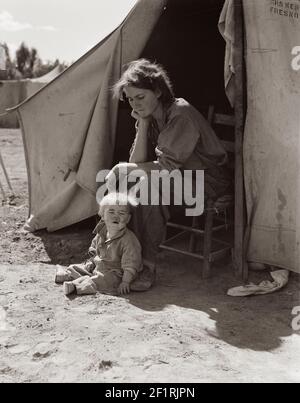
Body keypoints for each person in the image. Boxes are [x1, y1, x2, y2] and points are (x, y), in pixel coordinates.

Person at [107, 59, 231, 287]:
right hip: (180, 177)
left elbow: (162, 168)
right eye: (131, 99)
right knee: (133, 185)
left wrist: (122, 168)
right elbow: (138, 162)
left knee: (146, 186)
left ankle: (145, 266)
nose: (135, 105)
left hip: (208, 182)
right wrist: (143, 124)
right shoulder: (151, 116)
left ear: (158, 90)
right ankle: (120, 257)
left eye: (140, 97)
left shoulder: (180, 114)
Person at [55, 192, 143, 296]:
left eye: (122, 213)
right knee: (78, 267)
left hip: (116, 273)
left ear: (128, 219)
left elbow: (131, 265)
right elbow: (94, 249)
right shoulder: (102, 232)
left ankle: (76, 287)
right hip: (99, 266)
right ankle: (67, 274)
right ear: (103, 216)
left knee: (101, 280)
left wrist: (125, 282)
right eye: (111, 212)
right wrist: (92, 260)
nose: (116, 216)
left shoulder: (129, 240)